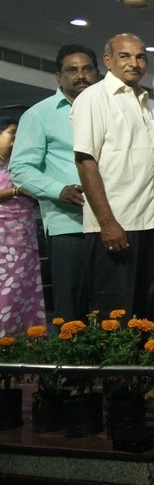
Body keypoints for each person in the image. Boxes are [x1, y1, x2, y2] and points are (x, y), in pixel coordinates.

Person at [72, 33, 154, 321]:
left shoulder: (144, 102)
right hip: (117, 225)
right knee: (114, 318)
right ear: (108, 60)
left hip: (150, 222)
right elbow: (85, 161)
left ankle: (143, 368)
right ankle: (115, 369)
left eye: (140, 57)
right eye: (125, 56)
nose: (134, 63)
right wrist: (108, 222)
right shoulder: (94, 98)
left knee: (148, 314)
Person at [10, 43, 99, 322]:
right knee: (72, 309)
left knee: (109, 303)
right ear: (59, 77)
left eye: (87, 69)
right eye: (72, 70)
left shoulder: (107, 110)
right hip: (69, 224)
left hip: (115, 221)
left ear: (97, 74)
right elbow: (21, 168)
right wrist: (58, 190)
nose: (81, 75)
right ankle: (70, 364)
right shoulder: (39, 115)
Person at [0, 118, 46, 335]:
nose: (16, 139)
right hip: (3, 239)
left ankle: (25, 348)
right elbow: (21, 190)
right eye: (11, 133)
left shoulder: (20, 164)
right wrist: (17, 191)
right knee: (7, 290)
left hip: (24, 236)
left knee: (25, 287)